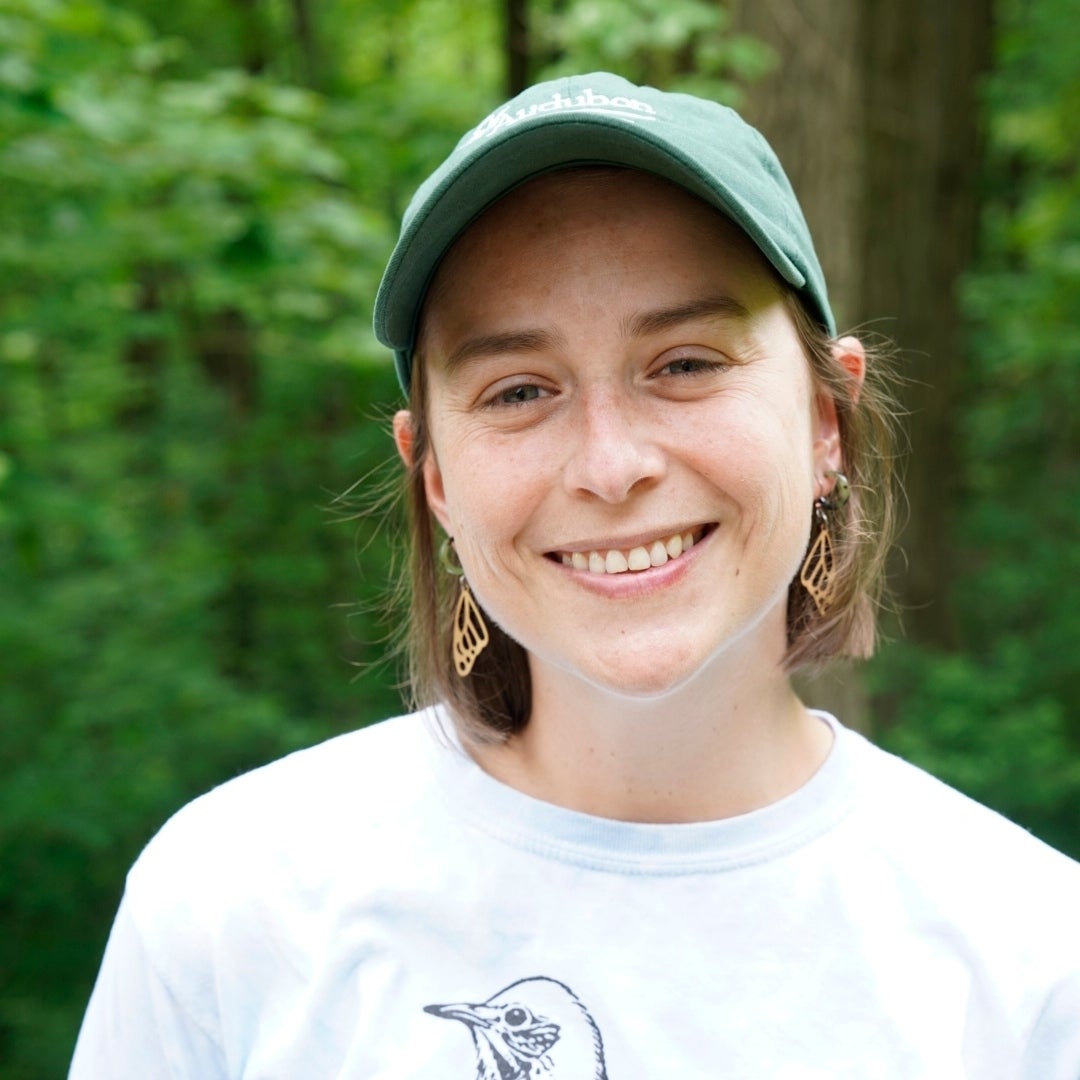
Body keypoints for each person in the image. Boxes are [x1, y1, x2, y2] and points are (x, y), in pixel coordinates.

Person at [70, 72, 1080, 1078]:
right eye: (519, 390)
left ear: (826, 420)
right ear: (434, 479)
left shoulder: (1029, 961)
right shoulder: (234, 904)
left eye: (685, 363)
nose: (611, 466)